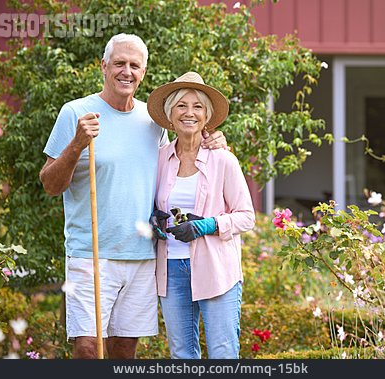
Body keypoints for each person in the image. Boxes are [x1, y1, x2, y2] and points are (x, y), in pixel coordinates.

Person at [39, 34, 227, 359]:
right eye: (119, 64)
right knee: (87, 348)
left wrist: (214, 143)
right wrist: (76, 146)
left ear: (143, 72)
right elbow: (50, 185)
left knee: (125, 351)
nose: (126, 71)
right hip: (91, 253)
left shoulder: (154, 122)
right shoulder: (76, 113)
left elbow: (176, 168)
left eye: (134, 66)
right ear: (103, 67)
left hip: (142, 254)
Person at [147, 72, 255, 359]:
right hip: (171, 268)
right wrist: (154, 219)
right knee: (182, 354)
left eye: (197, 107)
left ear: (207, 117)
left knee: (222, 352)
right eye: (181, 105)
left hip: (216, 268)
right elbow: (150, 203)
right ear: (170, 115)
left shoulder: (223, 159)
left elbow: (247, 216)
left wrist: (209, 225)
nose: (189, 113)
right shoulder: (159, 158)